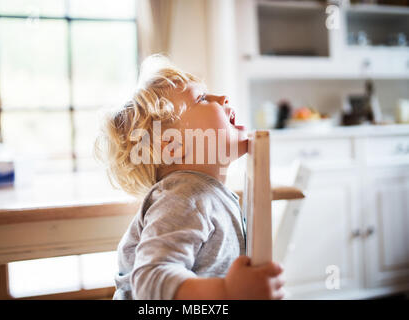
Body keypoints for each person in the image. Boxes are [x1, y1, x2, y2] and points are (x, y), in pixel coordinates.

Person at [94, 54, 285, 300]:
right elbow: (150, 280)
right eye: (202, 98)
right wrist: (228, 292)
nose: (222, 98)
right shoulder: (183, 197)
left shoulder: (203, 193)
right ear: (172, 146)